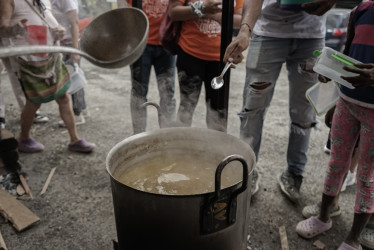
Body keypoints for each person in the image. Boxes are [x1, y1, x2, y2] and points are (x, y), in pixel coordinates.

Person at [222, 0, 337, 198]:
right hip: (267, 33)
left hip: (311, 36)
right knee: (252, 109)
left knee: (304, 114)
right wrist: (245, 30)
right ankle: (247, 171)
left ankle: (294, 173)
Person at [295, 1, 374, 249]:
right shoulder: (360, 11)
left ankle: (353, 239)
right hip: (347, 104)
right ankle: (323, 217)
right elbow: (346, 56)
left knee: (367, 177)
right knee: (336, 163)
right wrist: (332, 94)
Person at [0, 0, 95, 153]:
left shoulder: (45, 0)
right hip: (28, 61)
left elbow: (49, 22)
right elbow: (2, 29)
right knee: (33, 102)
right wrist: (13, 30)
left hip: (51, 57)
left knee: (63, 96)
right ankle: (24, 138)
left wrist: (59, 30)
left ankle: (74, 139)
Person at [168, 0, 243, 132]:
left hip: (220, 58)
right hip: (189, 53)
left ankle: (216, 149)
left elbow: (241, 20)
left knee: (218, 110)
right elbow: (173, 12)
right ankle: (179, 145)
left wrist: (212, 15)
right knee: (187, 105)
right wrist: (201, 7)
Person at [118, 0, 177, 134]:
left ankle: (168, 136)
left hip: (167, 42)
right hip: (140, 44)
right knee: (138, 92)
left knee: (168, 92)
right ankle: (138, 135)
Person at [52, 0, 88, 126]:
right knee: (73, 78)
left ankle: (77, 114)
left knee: (72, 80)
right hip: (61, 44)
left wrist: (74, 50)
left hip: (68, 44)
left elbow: (75, 23)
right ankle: (82, 109)